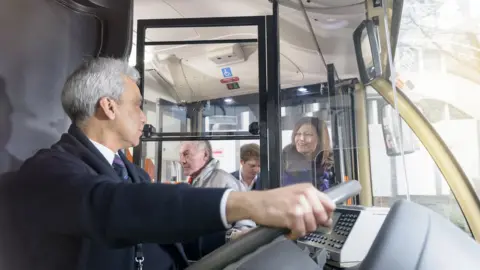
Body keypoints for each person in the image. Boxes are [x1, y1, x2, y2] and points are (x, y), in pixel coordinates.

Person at [0, 58, 336, 270]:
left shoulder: (129, 170)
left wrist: (235, 241)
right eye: (137, 105)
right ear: (109, 107)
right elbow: (112, 207)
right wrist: (247, 203)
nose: (145, 117)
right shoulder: (49, 171)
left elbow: (165, 233)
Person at [179, 141, 254, 257]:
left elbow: (245, 229)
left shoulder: (225, 182)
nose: (182, 161)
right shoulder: (195, 182)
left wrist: (225, 238)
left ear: (205, 155)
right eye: (181, 155)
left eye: (187, 154)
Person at [282, 117, 334, 190]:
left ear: (320, 138)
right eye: (298, 134)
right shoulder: (284, 162)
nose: (301, 138)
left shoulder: (334, 166)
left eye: (308, 134)